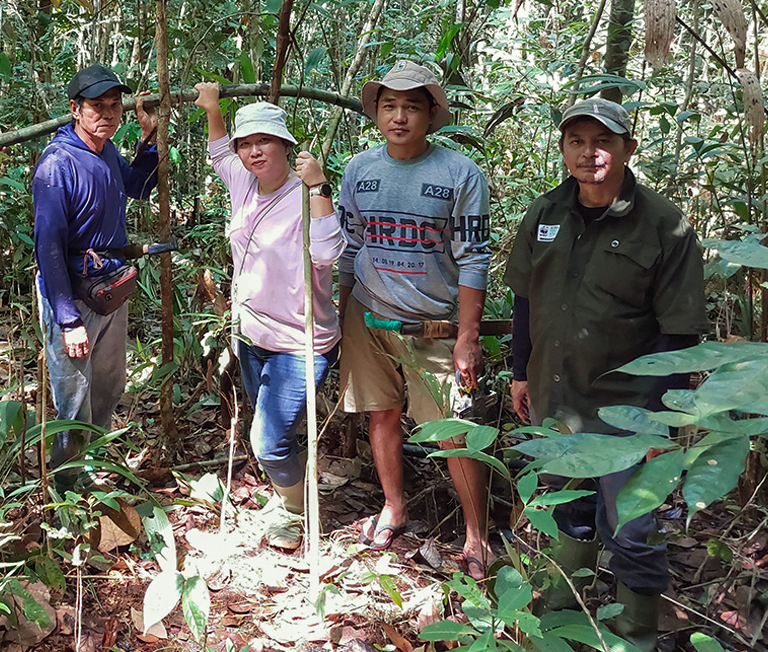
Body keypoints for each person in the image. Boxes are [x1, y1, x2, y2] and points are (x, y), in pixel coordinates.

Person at [505, 98, 705, 651]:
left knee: (634, 529)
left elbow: (680, 332)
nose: (588, 152)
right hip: (556, 398)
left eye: (603, 142)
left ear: (627, 149)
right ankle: (558, 627)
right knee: (562, 513)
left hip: (628, 410)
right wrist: (521, 372)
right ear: (564, 148)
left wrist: (658, 421)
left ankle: (634, 635)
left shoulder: (665, 225)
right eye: (576, 140)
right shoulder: (545, 213)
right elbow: (524, 298)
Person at [336, 59, 493, 578]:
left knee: (454, 430)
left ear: (431, 114)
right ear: (376, 113)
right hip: (369, 317)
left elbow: (474, 255)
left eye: (411, 106)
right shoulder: (359, 169)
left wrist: (467, 336)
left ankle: (477, 536)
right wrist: (341, 316)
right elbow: (350, 244)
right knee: (381, 412)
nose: (399, 116)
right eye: (389, 106)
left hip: (433, 324)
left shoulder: (460, 174)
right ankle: (394, 508)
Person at [195, 84, 344, 549]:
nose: (253, 151)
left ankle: (293, 510)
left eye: (264, 141)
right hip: (252, 334)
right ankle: (290, 492)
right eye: (246, 143)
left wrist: (319, 187)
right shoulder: (241, 178)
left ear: (285, 145)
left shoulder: (305, 194)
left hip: (300, 342)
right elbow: (219, 153)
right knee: (276, 430)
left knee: (267, 439)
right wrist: (213, 107)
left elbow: (327, 252)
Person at [31, 64, 158, 491]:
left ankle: (92, 468)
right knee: (74, 392)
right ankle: (67, 486)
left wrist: (149, 138)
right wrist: (66, 318)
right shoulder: (58, 162)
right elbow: (48, 247)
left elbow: (139, 187)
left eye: (113, 106)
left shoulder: (106, 152)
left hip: (109, 285)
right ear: (75, 109)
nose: (107, 114)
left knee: (108, 382)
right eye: (96, 107)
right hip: (72, 291)